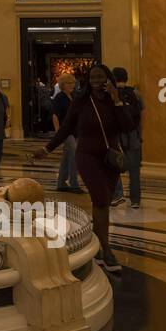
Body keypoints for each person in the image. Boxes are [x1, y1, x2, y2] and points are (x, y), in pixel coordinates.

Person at [31, 64, 133, 272]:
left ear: (108, 79)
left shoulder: (116, 100)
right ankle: (105, 249)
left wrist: (117, 101)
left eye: (100, 77)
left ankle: (99, 248)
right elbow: (67, 127)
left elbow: (128, 126)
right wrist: (47, 149)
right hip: (87, 156)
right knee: (101, 199)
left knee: (103, 202)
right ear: (88, 79)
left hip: (110, 159)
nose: (96, 80)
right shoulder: (81, 100)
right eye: (93, 77)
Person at [108, 67, 143, 208]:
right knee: (134, 170)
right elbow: (142, 114)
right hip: (133, 135)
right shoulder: (135, 93)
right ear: (126, 77)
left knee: (114, 166)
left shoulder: (111, 94)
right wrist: (140, 134)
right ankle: (135, 200)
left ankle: (117, 195)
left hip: (116, 136)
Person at [51, 73, 81, 192]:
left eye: (73, 83)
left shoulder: (73, 96)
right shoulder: (59, 97)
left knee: (66, 157)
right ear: (63, 85)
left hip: (75, 130)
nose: (72, 85)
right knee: (74, 156)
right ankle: (74, 184)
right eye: (69, 83)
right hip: (65, 131)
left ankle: (61, 183)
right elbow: (55, 115)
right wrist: (58, 133)